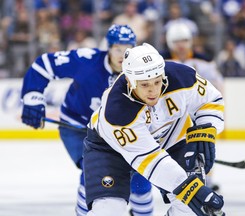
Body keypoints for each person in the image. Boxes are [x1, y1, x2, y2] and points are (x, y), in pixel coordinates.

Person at [20, 24, 153, 216]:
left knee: (141, 177)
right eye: (117, 48)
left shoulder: (142, 72)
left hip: (119, 132)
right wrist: (33, 97)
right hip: (77, 128)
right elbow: (44, 65)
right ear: (108, 47)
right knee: (93, 172)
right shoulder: (86, 60)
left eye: (127, 50)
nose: (121, 55)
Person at [83, 43, 225, 216]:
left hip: (172, 136)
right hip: (110, 150)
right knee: (108, 211)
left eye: (157, 82)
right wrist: (193, 189)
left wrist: (206, 130)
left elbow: (211, 100)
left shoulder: (182, 76)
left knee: (189, 209)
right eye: (144, 85)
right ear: (129, 80)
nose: (153, 91)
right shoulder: (116, 112)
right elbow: (152, 162)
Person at [163, 22, 224, 190]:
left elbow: (218, 85)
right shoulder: (161, 60)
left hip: (198, 111)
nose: (181, 45)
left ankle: (207, 182)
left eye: (184, 40)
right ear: (169, 42)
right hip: (174, 113)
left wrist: (217, 111)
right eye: (176, 41)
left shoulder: (204, 61)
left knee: (204, 144)